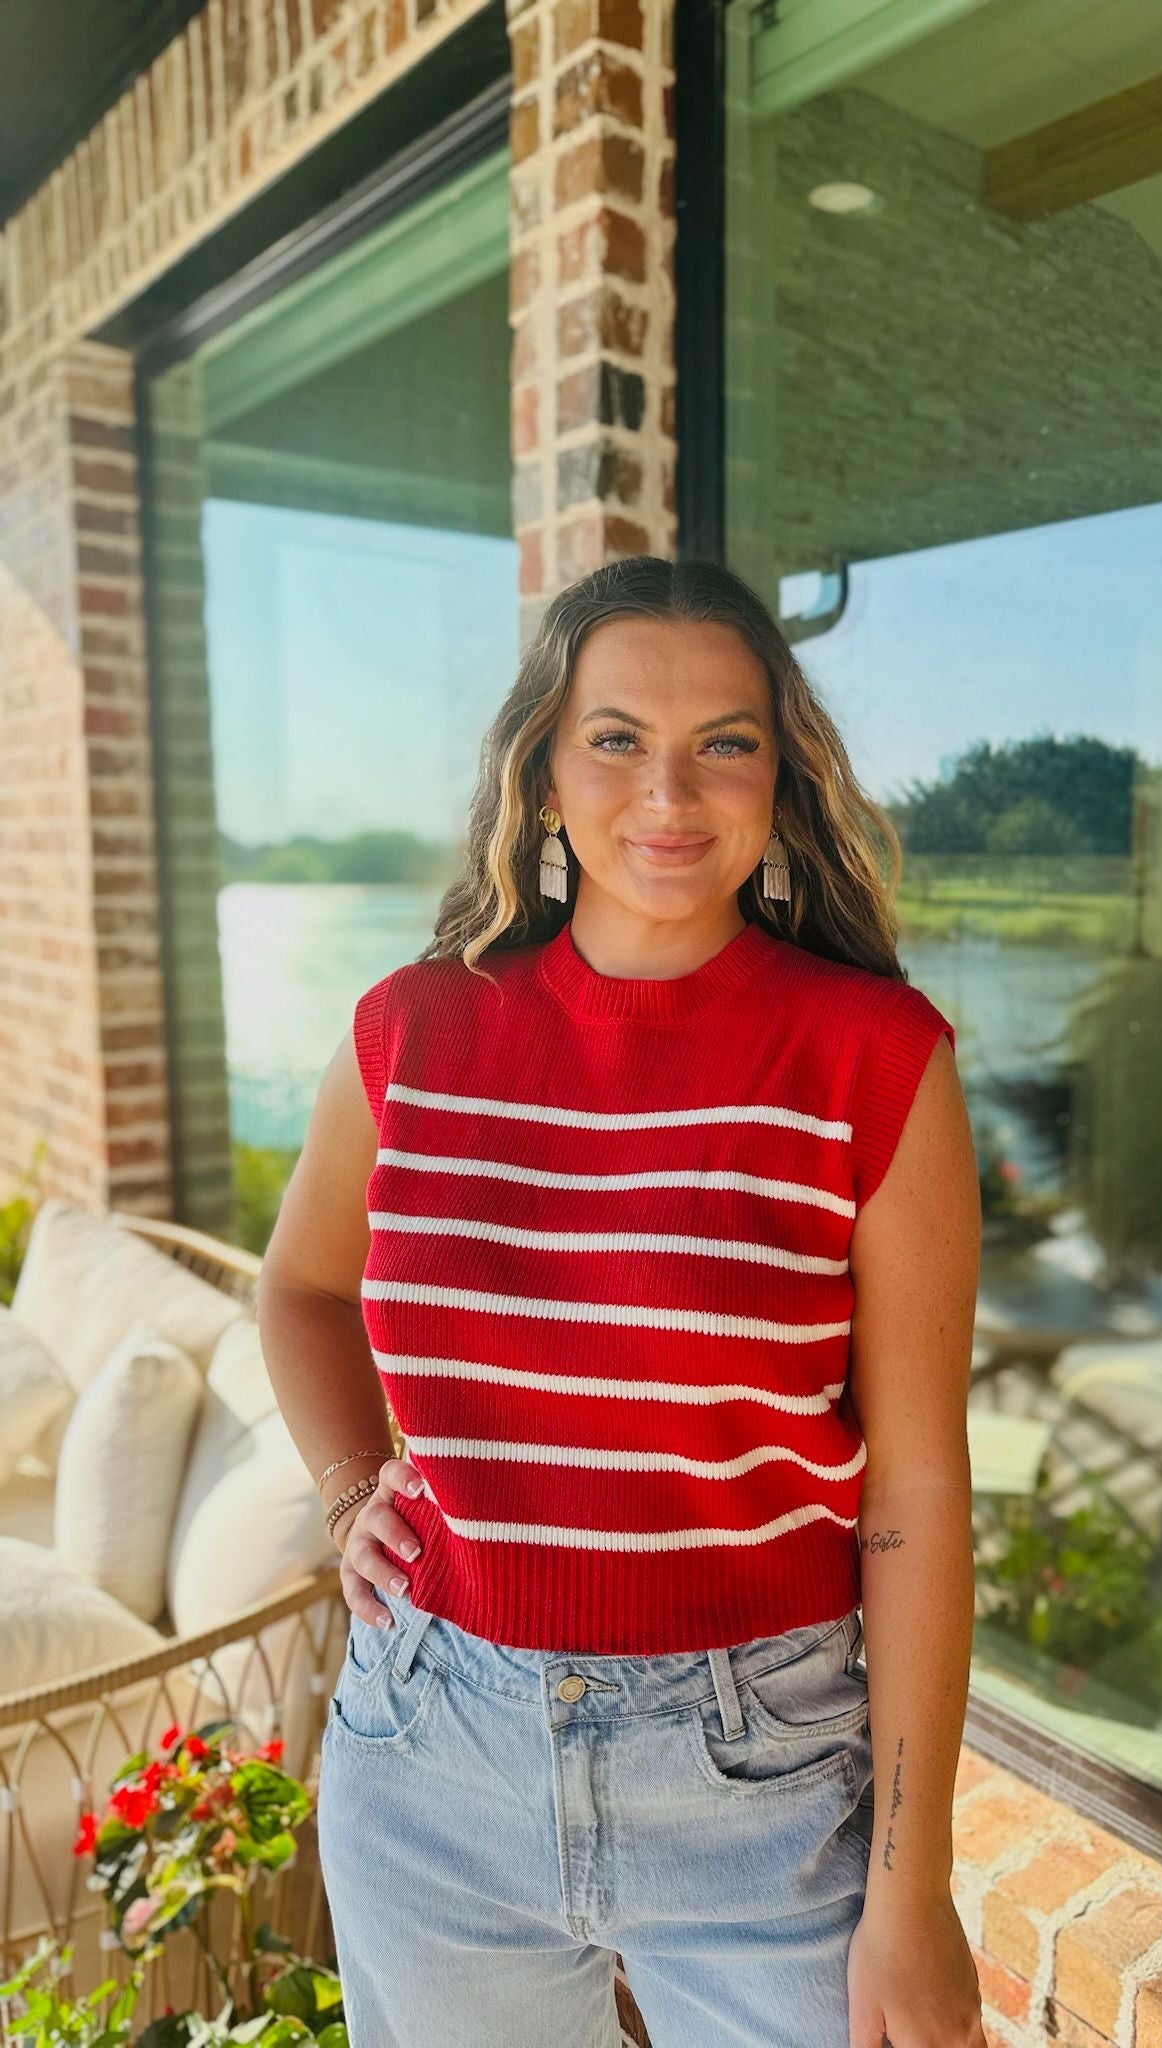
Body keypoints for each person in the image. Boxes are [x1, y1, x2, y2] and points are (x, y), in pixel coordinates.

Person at [256, 554, 984, 2048]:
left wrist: (912, 1895)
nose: (671, 789)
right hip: (430, 1760)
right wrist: (349, 1494)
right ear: (541, 774)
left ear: (779, 785)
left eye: (726, 741)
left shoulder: (873, 1059)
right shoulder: (412, 1031)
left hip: (761, 1784)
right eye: (617, 739)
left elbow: (914, 1491)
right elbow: (303, 1287)